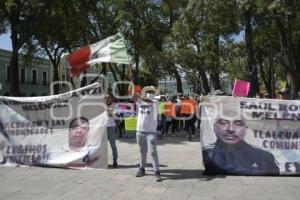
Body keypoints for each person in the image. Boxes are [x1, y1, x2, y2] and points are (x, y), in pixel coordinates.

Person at [202, 117, 280, 175]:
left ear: (245, 129)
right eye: (223, 123)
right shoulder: (207, 153)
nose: (231, 129)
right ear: (214, 127)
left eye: (238, 124)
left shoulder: (264, 157)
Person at [131, 85, 162, 182]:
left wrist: (140, 95)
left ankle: (157, 172)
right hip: (140, 130)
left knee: (152, 152)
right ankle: (142, 168)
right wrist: (131, 82)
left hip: (151, 132)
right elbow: (132, 96)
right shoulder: (140, 101)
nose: (148, 93)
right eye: (147, 91)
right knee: (142, 151)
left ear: (153, 94)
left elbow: (148, 100)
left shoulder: (155, 102)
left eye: (150, 92)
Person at [106, 94, 118, 168]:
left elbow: (116, 116)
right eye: (106, 98)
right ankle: (103, 161)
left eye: (108, 98)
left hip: (111, 127)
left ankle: (115, 161)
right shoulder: (102, 105)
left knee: (113, 145)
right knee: (103, 146)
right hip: (103, 128)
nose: (107, 99)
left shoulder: (115, 105)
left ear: (112, 98)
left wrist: (110, 111)